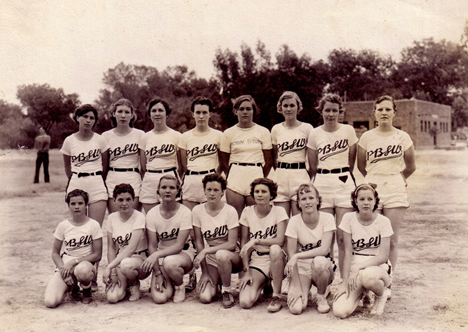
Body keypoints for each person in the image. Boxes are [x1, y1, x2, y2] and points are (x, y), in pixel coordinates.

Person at [357, 95, 416, 273]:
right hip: (372, 186)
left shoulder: (402, 136)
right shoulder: (367, 137)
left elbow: (411, 166)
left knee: (391, 239)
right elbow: (361, 166)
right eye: (380, 109)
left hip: (395, 186)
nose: (384, 113)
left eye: (388, 109)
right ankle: (370, 278)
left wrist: (397, 178)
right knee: (371, 237)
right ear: (374, 113)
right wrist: (373, 179)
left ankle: (387, 280)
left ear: (394, 113)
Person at [307, 94, 358, 275]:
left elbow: (351, 162)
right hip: (322, 183)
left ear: (340, 112)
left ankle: (344, 281)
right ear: (321, 111)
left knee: (344, 237)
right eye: (327, 110)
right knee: (326, 237)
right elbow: (313, 165)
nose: (330, 114)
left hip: (344, 182)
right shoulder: (315, 133)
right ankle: (326, 280)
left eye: (334, 110)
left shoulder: (348, 131)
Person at [333, 184, 393, 317]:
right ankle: (363, 293)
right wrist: (344, 282)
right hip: (356, 268)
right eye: (362, 199)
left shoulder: (383, 221)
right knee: (340, 311)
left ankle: (379, 295)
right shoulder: (348, 218)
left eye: (370, 199)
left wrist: (358, 268)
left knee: (368, 277)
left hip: (377, 267)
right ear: (355, 201)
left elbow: (383, 256)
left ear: (375, 201)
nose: (366, 203)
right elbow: (347, 252)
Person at [44, 189, 102, 307]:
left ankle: (86, 291)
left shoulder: (93, 225)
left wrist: (73, 262)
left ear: (86, 205)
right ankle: (72, 286)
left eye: (80, 203)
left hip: (84, 265)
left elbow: (97, 255)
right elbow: (55, 253)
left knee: (83, 270)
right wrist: (63, 270)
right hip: (66, 267)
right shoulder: (63, 225)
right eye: (73, 204)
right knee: (50, 302)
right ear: (68, 205)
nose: (77, 207)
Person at [192, 173, 242, 308]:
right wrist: (204, 272)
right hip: (212, 259)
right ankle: (217, 280)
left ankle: (226, 290)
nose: (212, 193)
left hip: (231, 256)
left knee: (221, 254)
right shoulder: (197, 211)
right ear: (204, 191)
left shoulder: (230, 211)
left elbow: (231, 244)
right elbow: (199, 242)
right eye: (209, 189)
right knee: (205, 297)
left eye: (216, 190)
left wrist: (206, 251)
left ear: (222, 192)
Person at [238, 178, 288, 312]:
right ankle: (265, 282)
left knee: (275, 249)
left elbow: (280, 240)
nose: (260, 194)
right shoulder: (247, 211)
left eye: (264, 192)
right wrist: (246, 271)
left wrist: (257, 241)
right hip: (257, 260)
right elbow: (244, 243)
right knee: (245, 302)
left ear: (271, 195)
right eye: (257, 191)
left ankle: (276, 295)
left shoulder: (279, 211)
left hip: (276, 260)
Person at [142, 175, 194, 304]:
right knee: (160, 298)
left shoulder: (185, 212)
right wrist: (158, 273)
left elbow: (179, 245)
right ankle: (168, 278)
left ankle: (180, 285)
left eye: (172, 187)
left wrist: (157, 255)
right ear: (158, 191)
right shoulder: (152, 213)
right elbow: (152, 246)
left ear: (178, 191)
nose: (167, 191)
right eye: (164, 187)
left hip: (182, 256)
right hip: (161, 258)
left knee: (170, 263)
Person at [284, 184, 336, 315]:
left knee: (319, 261)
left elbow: (324, 250)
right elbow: (291, 254)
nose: (307, 202)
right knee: (296, 308)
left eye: (311, 198)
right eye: (303, 199)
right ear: (299, 203)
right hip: (302, 268)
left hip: (322, 267)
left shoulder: (327, 218)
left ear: (318, 200)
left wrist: (297, 256)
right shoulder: (294, 221)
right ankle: (303, 290)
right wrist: (296, 286)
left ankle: (321, 296)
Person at [220, 95, 273, 217]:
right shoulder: (228, 133)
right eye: (241, 109)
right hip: (235, 178)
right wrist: (233, 176)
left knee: (254, 219)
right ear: (236, 111)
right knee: (235, 219)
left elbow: (269, 162)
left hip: (255, 175)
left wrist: (259, 178)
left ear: (253, 111)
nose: (245, 112)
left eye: (248, 109)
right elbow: (223, 163)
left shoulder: (263, 132)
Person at [61, 104, 109, 227]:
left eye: (92, 118)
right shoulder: (69, 140)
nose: (88, 120)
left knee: (95, 228)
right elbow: (68, 168)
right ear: (77, 118)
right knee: (78, 227)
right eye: (85, 116)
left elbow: (105, 166)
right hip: (77, 182)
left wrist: (96, 178)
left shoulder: (100, 140)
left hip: (96, 183)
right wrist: (76, 179)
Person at [103, 184, 150, 303]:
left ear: (133, 200)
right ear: (114, 201)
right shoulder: (112, 218)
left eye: (128, 199)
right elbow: (111, 247)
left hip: (140, 260)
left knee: (126, 264)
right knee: (112, 298)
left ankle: (134, 283)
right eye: (120, 200)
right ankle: (126, 285)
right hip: (121, 261)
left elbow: (131, 248)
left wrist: (109, 266)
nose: (124, 203)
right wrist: (113, 272)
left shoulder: (139, 217)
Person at [271, 91, 313, 216]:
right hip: (281, 176)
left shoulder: (307, 128)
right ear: (280, 108)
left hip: (300, 175)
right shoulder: (276, 129)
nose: (288, 109)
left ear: (298, 107)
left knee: (299, 220)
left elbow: (312, 160)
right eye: (285, 106)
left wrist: (306, 176)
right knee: (281, 220)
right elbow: (274, 158)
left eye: (292, 105)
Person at [178, 96, 222, 209]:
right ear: (193, 114)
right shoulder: (185, 136)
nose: (201, 116)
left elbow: (222, 163)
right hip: (191, 181)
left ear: (210, 114)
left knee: (209, 219)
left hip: (210, 181)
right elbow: (183, 165)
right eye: (198, 112)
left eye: (204, 112)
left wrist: (213, 178)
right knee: (190, 220)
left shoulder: (218, 135)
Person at [139, 98, 181, 213]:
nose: (157, 114)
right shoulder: (145, 137)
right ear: (149, 114)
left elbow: (182, 166)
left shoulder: (176, 136)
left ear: (167, 114)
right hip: (150, 179)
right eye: (154, 111)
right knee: (151, 218)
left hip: (170, 178)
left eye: (161, 110)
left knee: (171, 218)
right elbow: (143, 167)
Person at [103, 98, 145, 213]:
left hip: (133, 177)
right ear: (113, 114)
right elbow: (104, 166)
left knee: (133, 218)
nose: (123, 115)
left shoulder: (140, 135)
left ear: (132, 115)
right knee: (115, 219)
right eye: (120, 112)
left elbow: (143, 165)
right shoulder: (106, 136)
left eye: (127, 112)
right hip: (113, 177)